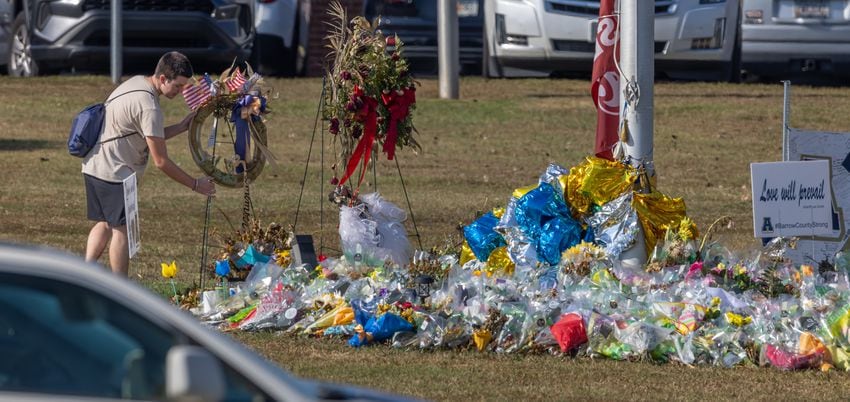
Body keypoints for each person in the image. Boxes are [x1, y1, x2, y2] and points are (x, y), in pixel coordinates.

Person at [82, 51, 216, 276]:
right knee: (121, 230)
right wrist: (195, 184)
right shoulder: (149, 106)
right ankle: (120, 289)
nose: (181, 92)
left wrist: (181, 127)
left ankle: (84, 272)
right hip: (114, 172)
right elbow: (161, 161)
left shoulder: (136, 82)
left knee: (105, 222)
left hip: (93, 164)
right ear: (163, 78)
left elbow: (146, 134)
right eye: (178, 86)